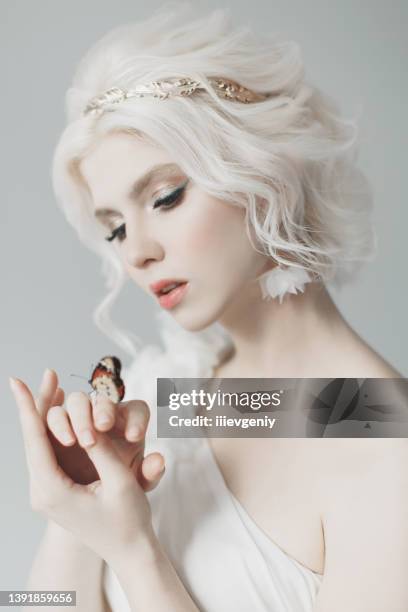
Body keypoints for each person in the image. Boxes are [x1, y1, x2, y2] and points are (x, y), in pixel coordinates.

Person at [11, 4, 407, 612]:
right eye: (115, 229)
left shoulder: (387, 444)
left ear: (263, 170)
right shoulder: (175, 392)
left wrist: (134, 550)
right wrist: (76, 508)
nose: (137, 253)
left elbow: (354, 415)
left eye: (166, 196)